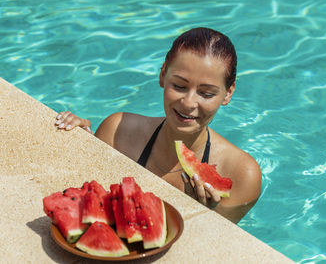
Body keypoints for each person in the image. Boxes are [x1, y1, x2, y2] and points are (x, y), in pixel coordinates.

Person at [55, 27, 261, 223]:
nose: (189, 103)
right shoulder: (117, 132)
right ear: (163, 74)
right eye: (179, 86)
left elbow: (217, 249)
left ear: (228, 93)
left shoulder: (242, 174)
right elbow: (90, 204)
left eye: (206, 93)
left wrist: (203, 215)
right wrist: (79, 146)